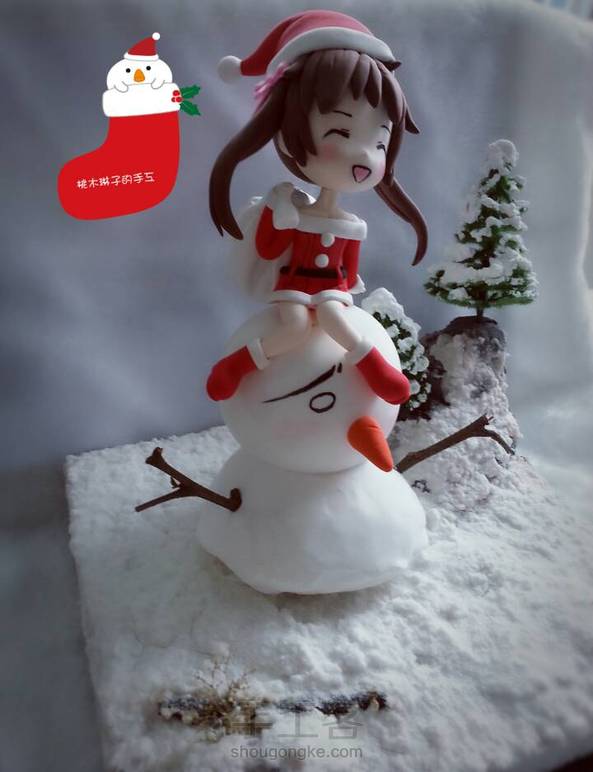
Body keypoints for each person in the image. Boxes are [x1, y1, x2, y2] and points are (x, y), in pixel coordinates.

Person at [207, 9, 427, 402]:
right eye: (340, 130)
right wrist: (281, 216)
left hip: (330, 292)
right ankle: (235, 366)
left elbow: (349, 271)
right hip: (292, 285)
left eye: (380, 141)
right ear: (285, 129)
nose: (365, 157)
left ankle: (376, 371)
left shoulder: (352, 225)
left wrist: (341, 291)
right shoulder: (286, 205)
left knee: (338, 322)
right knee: (292, 328)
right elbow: (269, 250)